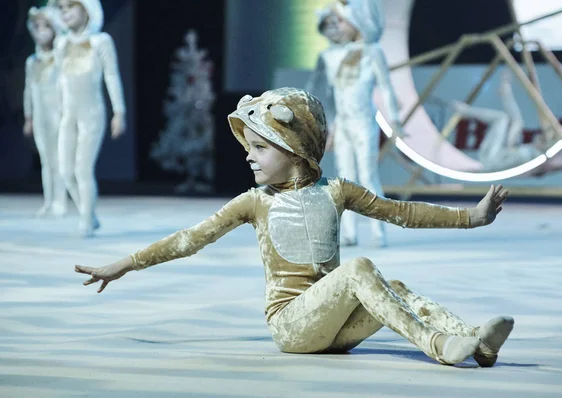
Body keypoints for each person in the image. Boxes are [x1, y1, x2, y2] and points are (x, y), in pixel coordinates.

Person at [75, 87, 513, 367]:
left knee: (392, 283)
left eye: (261, 147)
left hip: (335, 329)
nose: (249, 156)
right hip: (293, 327)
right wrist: (124, 264)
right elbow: (189, 240)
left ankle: (475, 341)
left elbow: (402, 211)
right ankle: (439, 347)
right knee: (360, 267)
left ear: (295, 149)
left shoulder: (335, 190)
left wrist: (471, 217)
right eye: (250, 147)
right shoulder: (254, 203)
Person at [307, 0, 403, 247]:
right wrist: (331, 128)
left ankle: (378, 230)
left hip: (363, 123)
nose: (338, 27)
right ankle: (349, 232)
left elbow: (386, 88)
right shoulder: (332, 56)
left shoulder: (372, 52)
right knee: (345, 179)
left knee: (368, 176)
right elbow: (332, 96)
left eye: (342, 21)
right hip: (345, 125)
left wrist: (396, 121)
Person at [50, 0, 126, 237]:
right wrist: (56, 110)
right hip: (67, 115)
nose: (65, 13)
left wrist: (119, 112)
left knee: (82, 169)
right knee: (65, 171)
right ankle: (89, 214)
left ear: (86, 10)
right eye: (61, 9)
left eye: (70, 7)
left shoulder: (100, 41)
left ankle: (85, 221)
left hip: (91, 113)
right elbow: (58, 80)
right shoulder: (60, 42)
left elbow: (111, 76)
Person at [450, 70, 542, 172]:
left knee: (502, 119)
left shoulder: (531, 155)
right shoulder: (530, 151)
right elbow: (513, 135)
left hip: (489, 161)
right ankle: (505, 91)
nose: (537, 138)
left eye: (541, 139)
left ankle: (466, 111)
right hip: (496, 154)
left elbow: (507, 157)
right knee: (514, 121)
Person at [23, 6, 67, 217]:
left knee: (60, 158)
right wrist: (28, 117)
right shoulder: (32, 62)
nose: (41, 31)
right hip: (41, 116)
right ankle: (49, 199)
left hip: (58, 113)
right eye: (38, 26)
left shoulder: (61, 57)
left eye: (46, 26)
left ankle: (61, 200)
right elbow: (28, 91)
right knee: (46, 159)